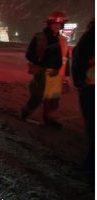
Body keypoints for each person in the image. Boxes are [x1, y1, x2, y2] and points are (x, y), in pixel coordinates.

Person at [20, 11, 70, 128]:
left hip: (57, 74)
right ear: (49, 24)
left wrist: (66, 74)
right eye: (54, 24)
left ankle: (49, 118)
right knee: (37, 96)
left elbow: (65, 58)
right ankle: (25, 113)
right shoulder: (39, 37)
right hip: (43, 73)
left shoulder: (62, 39)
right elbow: (29, 54)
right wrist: (42, 64)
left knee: (53, 99)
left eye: (59, 24)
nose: (57, 26)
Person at [72, 18, 95, 172]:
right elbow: (78, 59)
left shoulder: (89, 37)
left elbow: (77, 59)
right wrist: (81, 81)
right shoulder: (90, 38)